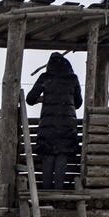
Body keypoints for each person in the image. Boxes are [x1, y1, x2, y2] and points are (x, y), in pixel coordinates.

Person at [26, 53, 83, 191]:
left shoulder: (45, 78)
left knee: (48, 158)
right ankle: (58, 194)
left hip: (48, 127)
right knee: (62, 158)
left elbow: (30, 99)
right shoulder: (72, 79)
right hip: (67, 127)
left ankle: (46, 196)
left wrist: (45, 98)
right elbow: (78, 103)